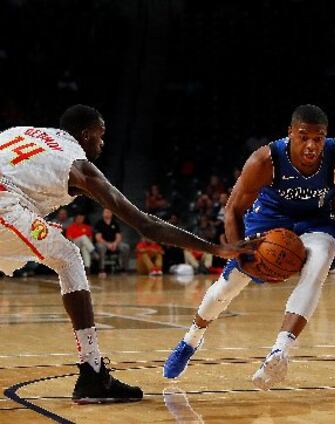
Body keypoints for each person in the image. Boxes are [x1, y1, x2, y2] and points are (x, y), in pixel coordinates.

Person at [0, 104, 252, 403]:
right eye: (100, 135)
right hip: (5, 204)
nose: (102, 143)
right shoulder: (77, 165)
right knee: (68, 258)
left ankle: (93, 373)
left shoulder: (25, 133)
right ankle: (92, 372)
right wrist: (216, 249)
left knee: (61, 252)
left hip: (12, 202)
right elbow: (146, 225)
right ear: (85, 134)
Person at [163, 104, 335, 389]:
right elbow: (232, 210)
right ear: (290, 133)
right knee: (227, 288)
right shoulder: (264, 160)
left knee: (321, 260)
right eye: (304, 136)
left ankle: (280, 352)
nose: (312, 145)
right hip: (268, 222)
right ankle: (191, 339)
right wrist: (239, 251)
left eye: (319, 137)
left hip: (315, 221)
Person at [94, 208, 130, 277]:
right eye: (105, 212)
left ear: (111, 213)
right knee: (101, 247)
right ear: (103, 213)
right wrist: (108, 244)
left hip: (114, 243)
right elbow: (98, 238)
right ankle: (102, 269)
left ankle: (124, 269)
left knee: (125, 247)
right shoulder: (99, 223)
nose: (107, 213)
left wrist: (115, 244)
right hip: (103, 243)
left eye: (108, 212)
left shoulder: (115, 223)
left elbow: (119, 236)